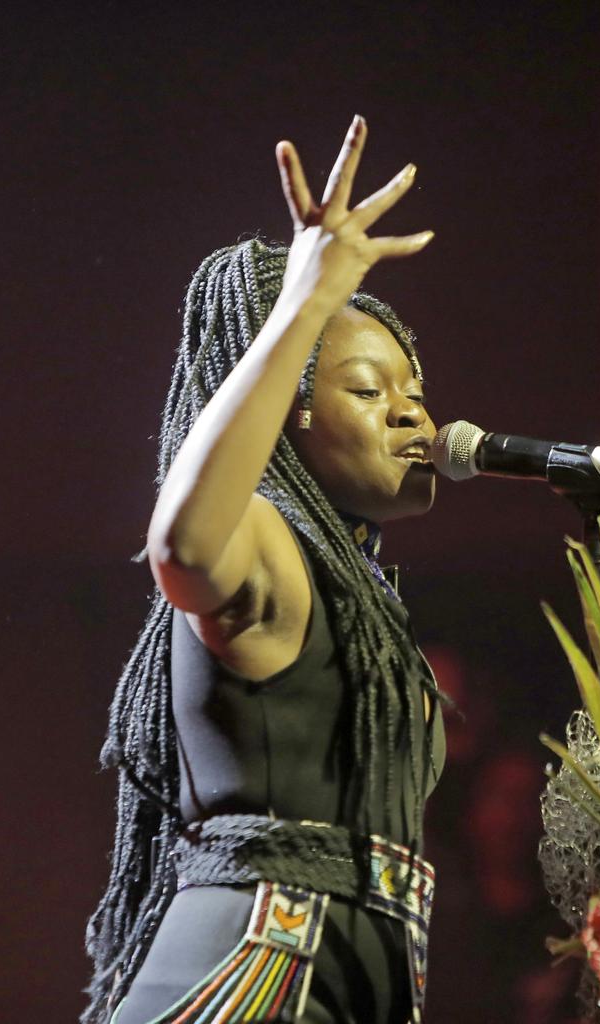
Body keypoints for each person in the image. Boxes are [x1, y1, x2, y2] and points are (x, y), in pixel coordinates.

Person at [83, 115, 447, 1024]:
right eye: (368, 392)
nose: (411, 417)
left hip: (350, 974)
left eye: (415, 395)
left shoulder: (362, 597)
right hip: (255, 969)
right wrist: (304, 308)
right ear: (286, 419)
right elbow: (184, 544)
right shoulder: (266, 542)